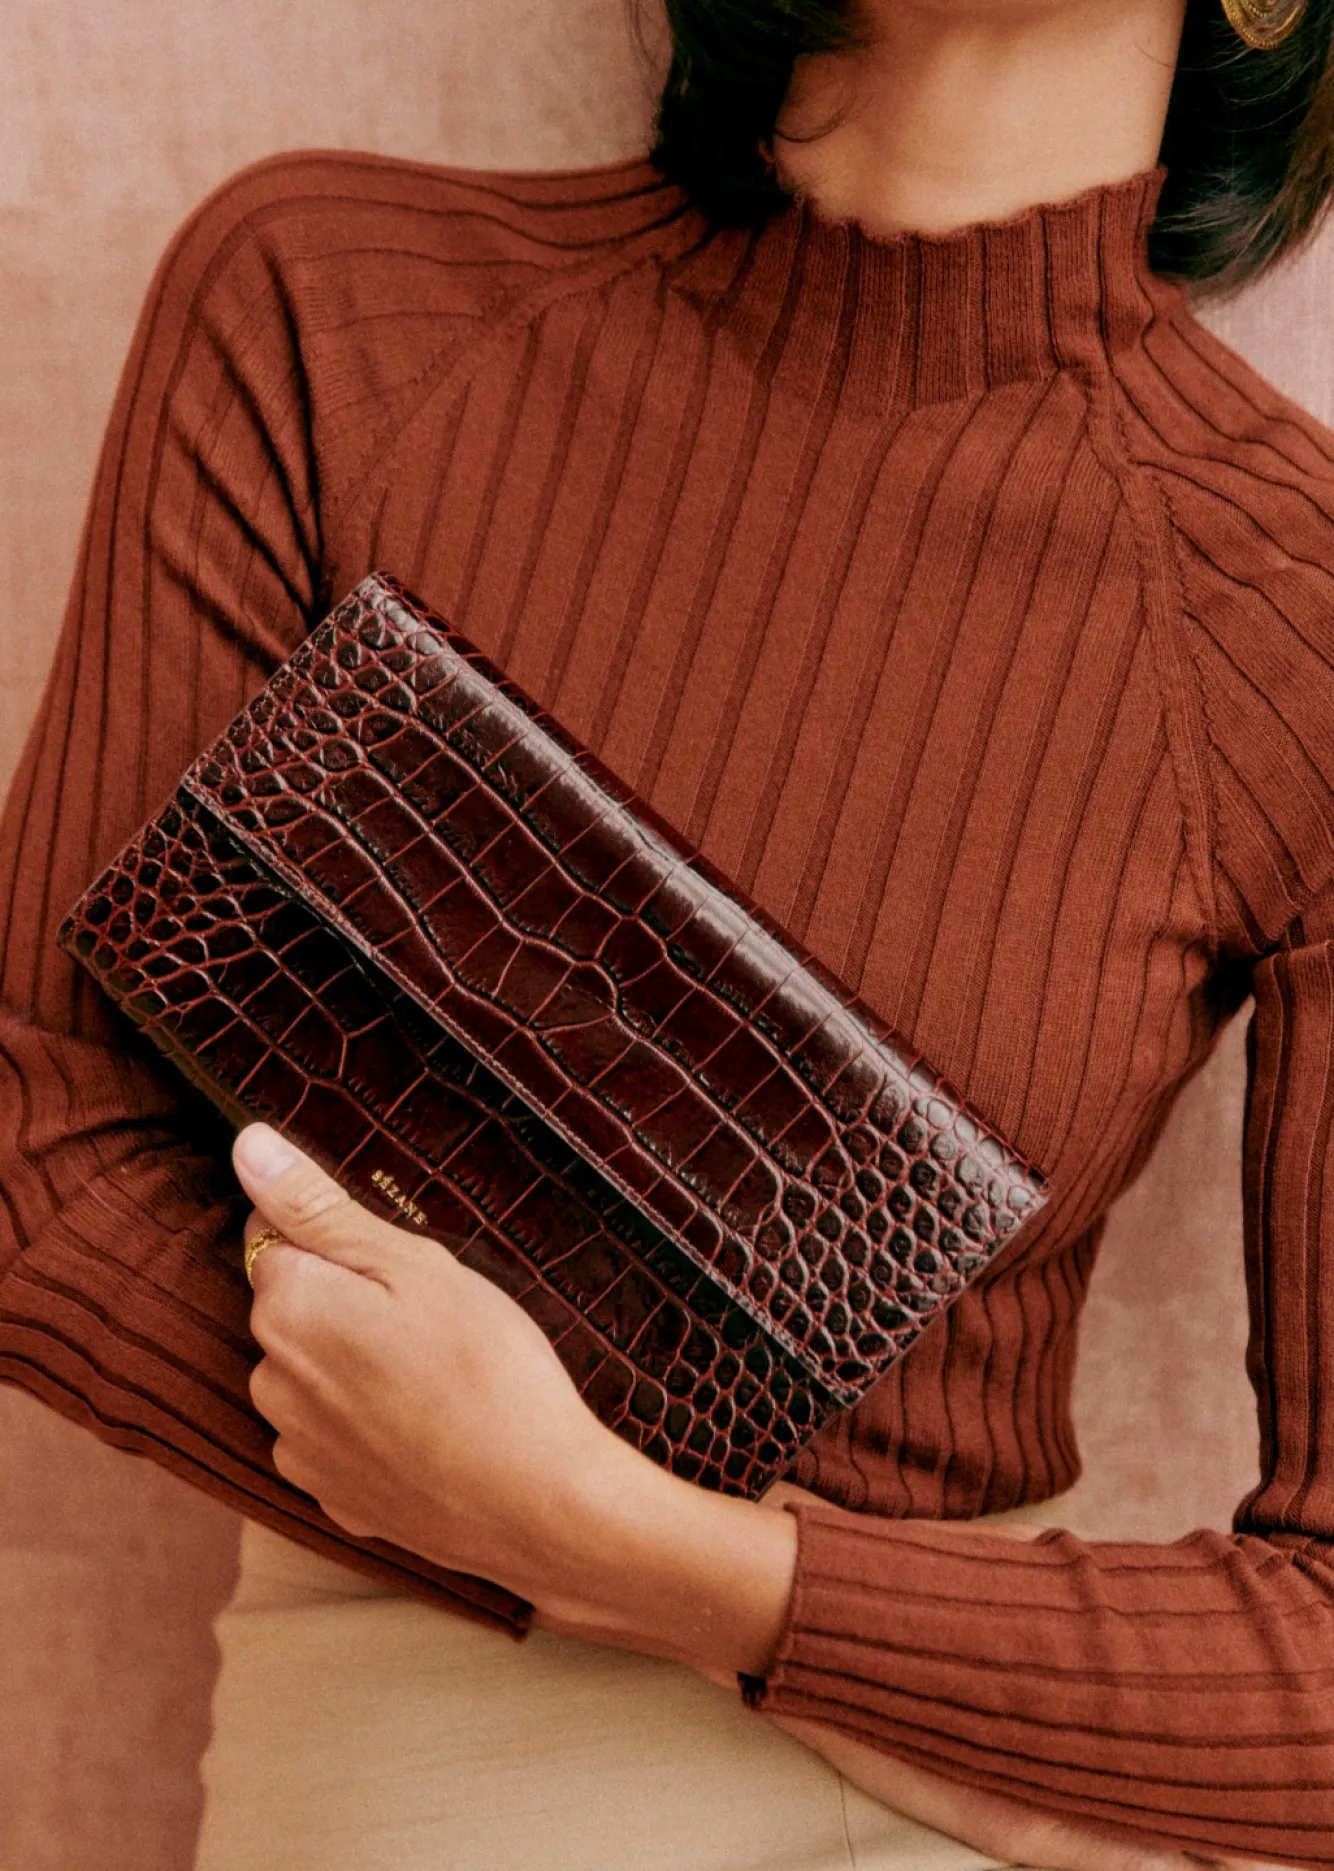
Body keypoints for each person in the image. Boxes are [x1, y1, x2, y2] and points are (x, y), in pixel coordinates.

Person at [3, 0, 1334, 1859]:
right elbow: (31, 1149)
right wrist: (559, 1536)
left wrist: (667, 1564)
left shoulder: (1293, 615)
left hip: (943, 1797)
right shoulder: (329, 306)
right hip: (418, 1777)